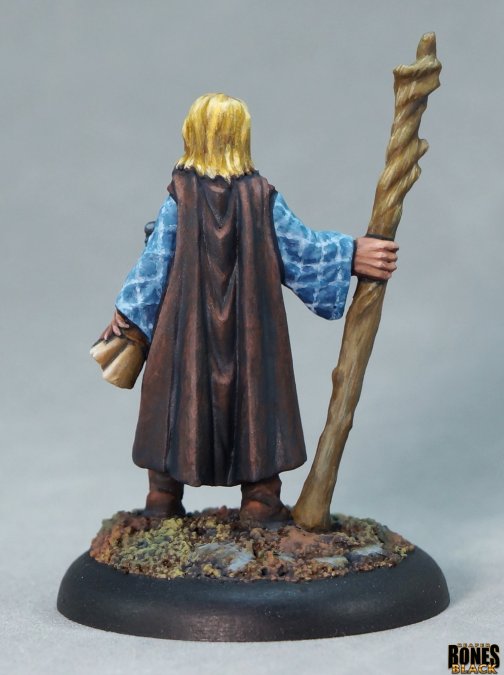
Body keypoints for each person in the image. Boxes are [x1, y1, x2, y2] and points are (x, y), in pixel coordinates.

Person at [99, 93, 398, 524]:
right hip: (252, 332)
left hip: (184, 333)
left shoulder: (180, 197)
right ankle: (258, 499)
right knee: (257, 400)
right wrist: (350, 254)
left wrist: (128, 311)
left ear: (193, 134)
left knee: (175, 401)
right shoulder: (261, 197)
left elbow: (154, 264)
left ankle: (166, 497)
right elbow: (303, 248)